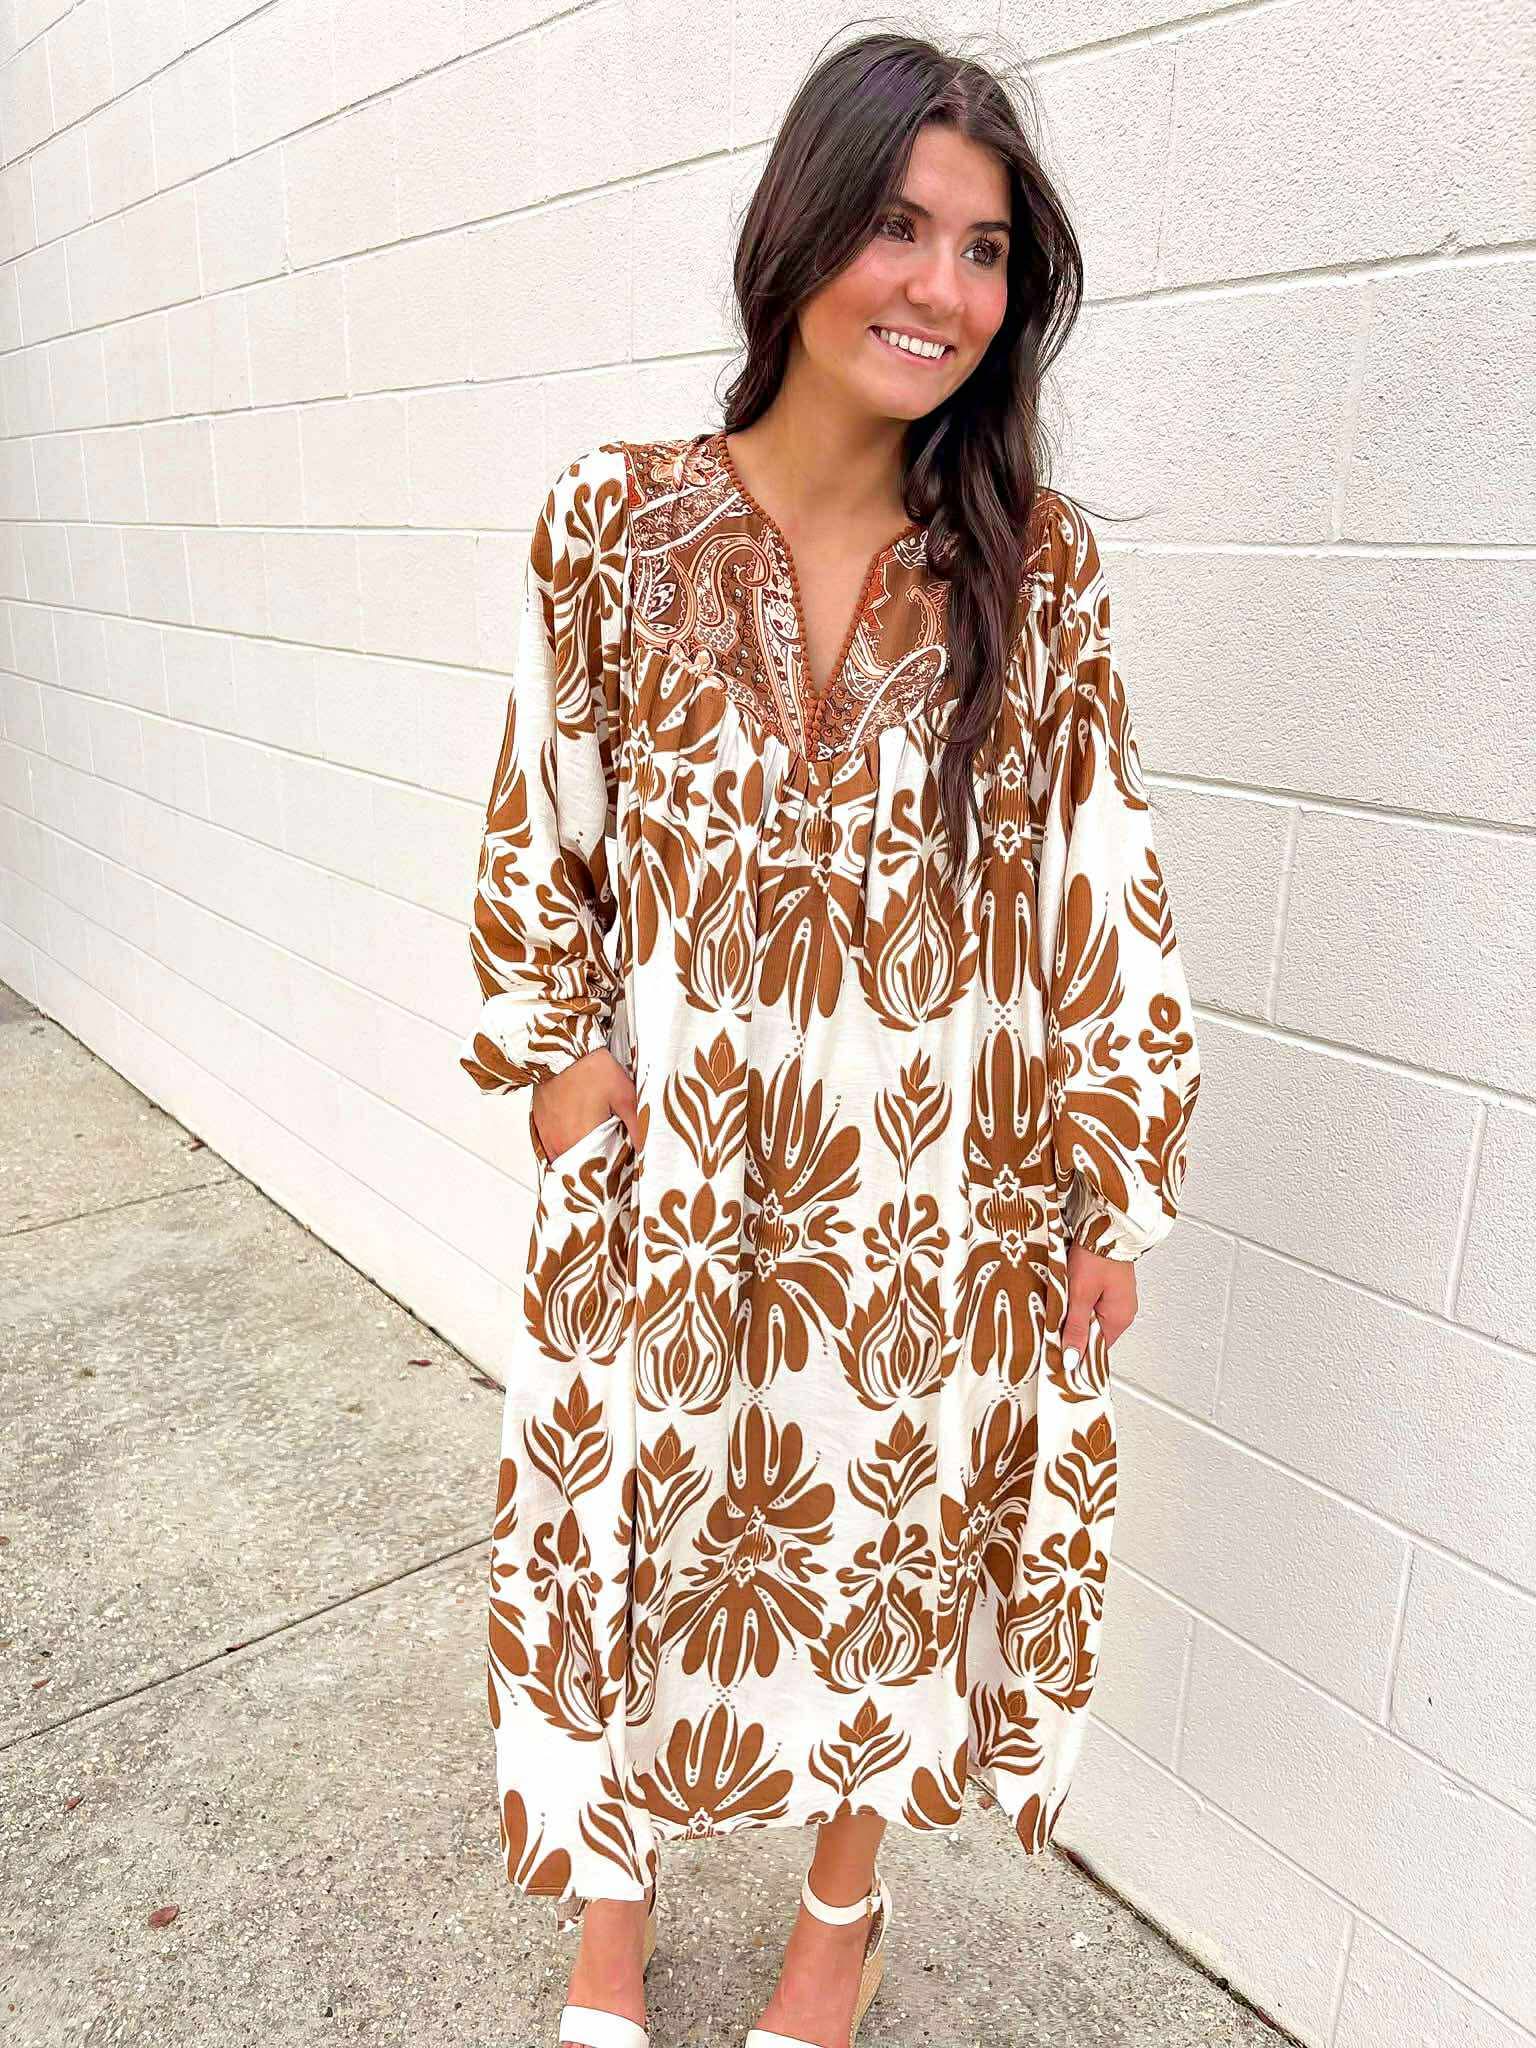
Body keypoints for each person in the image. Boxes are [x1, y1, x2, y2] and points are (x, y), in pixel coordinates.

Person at [460, 29, 1202, 2048]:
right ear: (801, 230)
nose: (941, 288)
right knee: (613, 1528)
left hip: (933, 1192)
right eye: (900, 225)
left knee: (887, 1544)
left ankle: (835, 1927)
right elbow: (542, 817)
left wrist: (1109, 1183)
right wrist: (562, 1071)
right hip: (678, 1168)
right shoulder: (612, 523)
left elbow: (1097, 878)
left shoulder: (1034, 573)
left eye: (985, 251)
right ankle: (608, 1933)